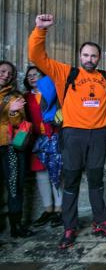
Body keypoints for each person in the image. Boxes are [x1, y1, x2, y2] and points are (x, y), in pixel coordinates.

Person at [28, 13, 106, 249]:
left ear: (99, 58)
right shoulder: (67, 73)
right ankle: (69, 227)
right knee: (71, 180)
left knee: (96, 179)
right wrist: (40, 30)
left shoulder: (105, 77)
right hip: (73, 134)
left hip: (98, 135)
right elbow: (36, 56)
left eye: (93, 56)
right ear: (80, 56)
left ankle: (100, 221)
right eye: (86, 55)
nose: (89, 59)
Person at [23, 66, 63, 227]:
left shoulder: (52, 93)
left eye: (36, 74)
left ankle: (60, 209)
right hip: (37, 140)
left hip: (53, 136)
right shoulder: (25, 97)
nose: (33, 77)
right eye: (30, 76)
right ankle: (48, 209)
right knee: (41, 174)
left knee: (56, 173)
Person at [0, 60, 33, 238]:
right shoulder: (9, 101)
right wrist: (7, 108)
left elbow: (19, 122)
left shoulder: (15, 95)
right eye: (3, 71)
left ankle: (16, 225)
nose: (6, 75)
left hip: (10, 147)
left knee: (14, 186)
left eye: (9, 74)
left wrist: (13, 113)